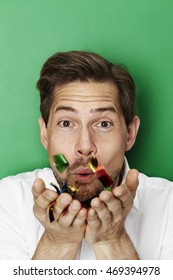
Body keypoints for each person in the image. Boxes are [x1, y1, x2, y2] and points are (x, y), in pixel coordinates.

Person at [0, 51, 173, 260]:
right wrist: (57, 243)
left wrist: (112, 240)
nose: (84, 147)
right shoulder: (8, 200)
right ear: (45, 134)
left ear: (129, 134)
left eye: (103, 124)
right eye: (66, 123)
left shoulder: (168, 206)